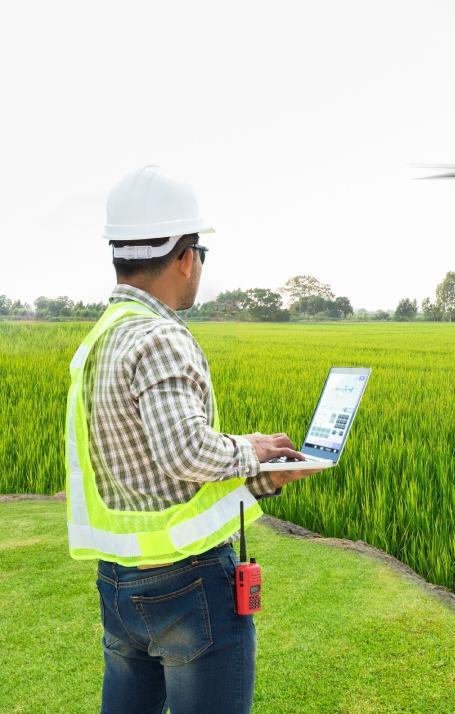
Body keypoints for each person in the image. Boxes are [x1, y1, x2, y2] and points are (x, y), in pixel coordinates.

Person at [67, 165, 320, 713]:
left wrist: (252, 460)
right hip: (186, 587)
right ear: (184, 255)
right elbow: (181, 450)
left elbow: (151, 453)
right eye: (200, 252)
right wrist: (252, 453)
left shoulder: (101, 339)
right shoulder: (160, 337)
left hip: (119, 581)